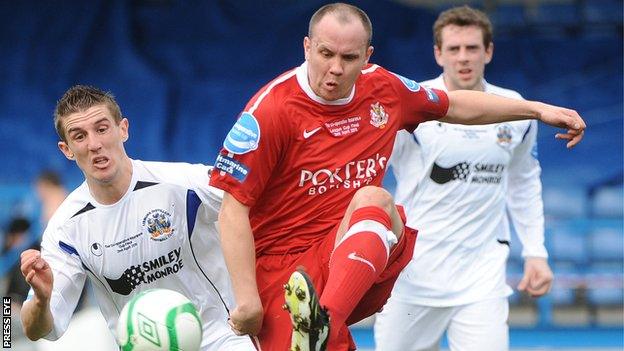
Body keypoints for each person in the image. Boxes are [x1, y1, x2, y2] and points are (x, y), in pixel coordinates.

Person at [208, 3, 584, 351]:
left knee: (376, 200)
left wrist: (536, 109)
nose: (336, 68)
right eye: (326, 54)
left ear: (367, 57)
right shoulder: (270, 111)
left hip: (351, 258)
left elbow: (455, 105)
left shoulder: (384, 89)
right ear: (307, 47)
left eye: (349, 57)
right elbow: (232, 209)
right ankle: (322, 329)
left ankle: (324, 323)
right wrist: (247, 299)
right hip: (283, 271)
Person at [19, 85, 255, 351]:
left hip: (223, 339)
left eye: (102, 128)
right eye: (80, 136)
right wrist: (41, 299)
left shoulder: (184, 184)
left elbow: (260, 205)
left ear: (123, 129)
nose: (95, 144)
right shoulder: (65, 228)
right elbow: (35, 330)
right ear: (67, 149)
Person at [373, 6, 554, 351]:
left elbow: (524, 182)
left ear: (488, 51)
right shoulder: (410, 106)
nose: (463, 58)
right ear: (438, 54)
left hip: (481, 278)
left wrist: (536, 252)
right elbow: (372, 172)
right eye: (454, 49)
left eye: (472, 48)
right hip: (413, 276)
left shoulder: (515, 109)